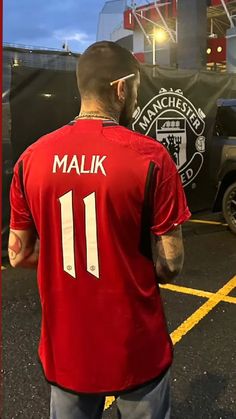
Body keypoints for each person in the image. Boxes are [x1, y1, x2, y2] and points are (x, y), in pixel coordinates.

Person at [8, 41, 191, 419]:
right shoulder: (151, 158)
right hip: (136, 348)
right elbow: (170, 264)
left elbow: (18, 254)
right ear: (122, 88)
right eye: (137, 90)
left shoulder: (31, 158)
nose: (136, 100)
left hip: (67, 349)